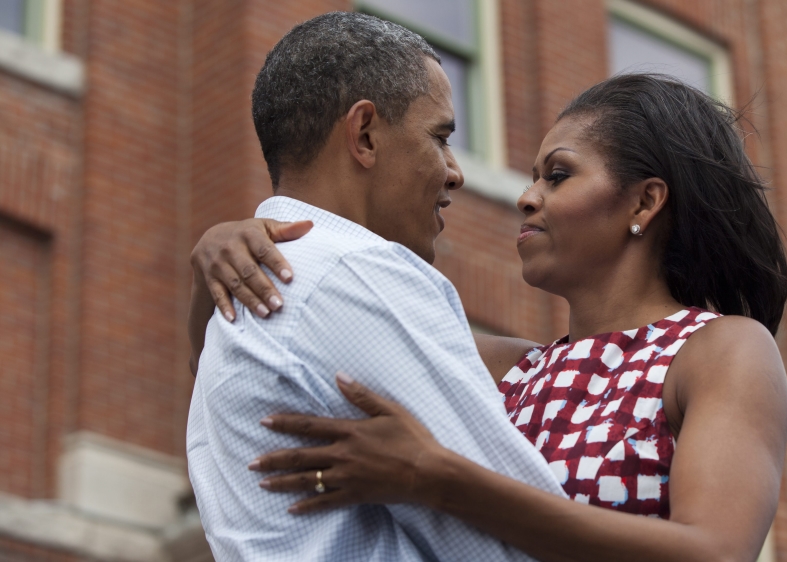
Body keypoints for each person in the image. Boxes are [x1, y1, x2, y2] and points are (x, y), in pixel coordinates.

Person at [191, 69, 787, 562]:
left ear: (645, 201)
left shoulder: (722, 351)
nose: (527, 197)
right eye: (533, 178)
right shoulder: (508, 368)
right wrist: (222, 259)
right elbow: (260, 370)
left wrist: (438, 478)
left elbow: (713, 553)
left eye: (558, 175)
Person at [186, 12, 570, 561]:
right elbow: (513, 548)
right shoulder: (355, 273)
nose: (455, 171)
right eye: (439, 137)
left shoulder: (252, 293)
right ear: (364, 134)